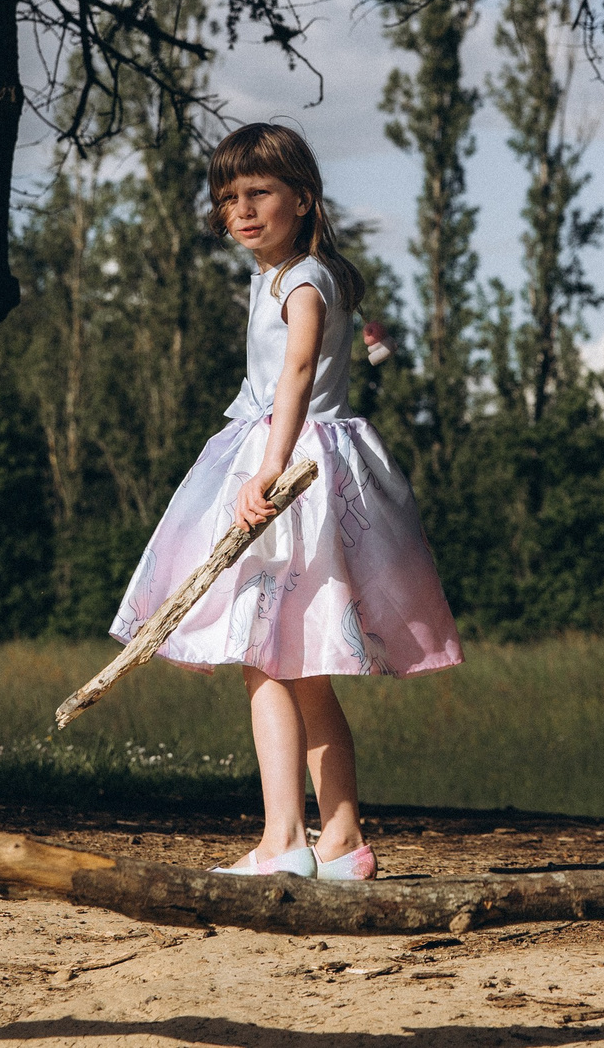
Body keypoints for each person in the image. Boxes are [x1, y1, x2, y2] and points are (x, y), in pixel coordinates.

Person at [109, 122, 463, 879]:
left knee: (263, 658)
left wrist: (268, 468)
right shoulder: (301, 275)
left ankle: (282, 842)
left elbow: (297, 370)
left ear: (302, 199)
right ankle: (342, 840)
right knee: (301, 667)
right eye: (227, 197)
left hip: (289, 464)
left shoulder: (302, 280)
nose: (240, 210)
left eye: (258, 193)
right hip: (301, 457)